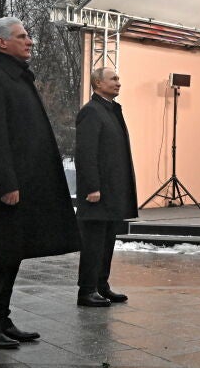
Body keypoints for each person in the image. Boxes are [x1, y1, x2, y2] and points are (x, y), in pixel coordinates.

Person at [0, 16, 80, 349]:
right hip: (4, 187)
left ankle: (2, 319)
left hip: (23, 183)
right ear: (1, 42)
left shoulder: (15, 79)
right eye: (22, 36)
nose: (30, 41)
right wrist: (5, 183)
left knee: (11, 253)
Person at [75, 66, 138, 307]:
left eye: (118, 78)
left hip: (112, 192)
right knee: (93, 243)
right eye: (113, 79)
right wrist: (92, 187)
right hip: (97, 193)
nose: (118, 83)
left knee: (107, 241)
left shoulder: (111, 111)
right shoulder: (91, 111)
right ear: (98, 84)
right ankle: (86, 290)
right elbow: (86, 153)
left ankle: (102, 286)